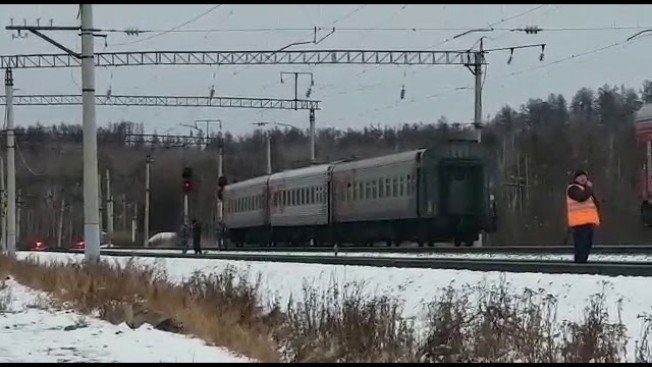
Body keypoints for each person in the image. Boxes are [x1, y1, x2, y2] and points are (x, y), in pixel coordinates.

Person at [566, 170, 601, 263]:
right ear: (575, 179)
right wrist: (589, 188)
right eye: (580, 177)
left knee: (587, 245)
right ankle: (579, 265)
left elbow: (595, 203)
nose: (583, 178)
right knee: (581, 245)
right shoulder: (573, 188)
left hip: (588, 222)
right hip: (579, 223)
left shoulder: (586, 189)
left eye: (584, 176)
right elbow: (581, 198)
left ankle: (582, 263)